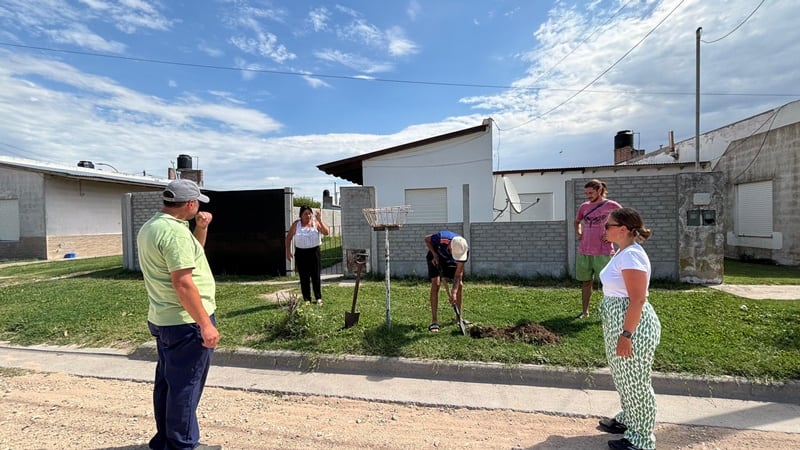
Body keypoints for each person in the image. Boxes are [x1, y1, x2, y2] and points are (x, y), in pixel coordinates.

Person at [137, 179, 221, 450]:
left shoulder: (153, 227)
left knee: (168, 383)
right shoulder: (173, 233)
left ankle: (166, 439)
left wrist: (201, 228)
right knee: (186, 386)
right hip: (186, 323)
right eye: (196, 203)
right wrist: (205, 324)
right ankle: (183, 444)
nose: (198, 207)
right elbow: (183, 282)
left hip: (164, 319)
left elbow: (191, 254)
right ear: (190, 204)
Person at [597, 207, 661, 450]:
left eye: (608, 226)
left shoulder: (632, 255)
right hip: (620, 326)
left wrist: (626, 335)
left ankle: (642, 439)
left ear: (623, 229)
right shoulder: (623, 252)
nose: (605, 229)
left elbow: (637, 300)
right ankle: (629, 419)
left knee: (636, 382)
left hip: (633, 329)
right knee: (624, 378)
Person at [574, 179, 622, 318]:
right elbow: (576, 221)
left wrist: (613, 237)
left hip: (604, 252)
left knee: (608, 284)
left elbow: (625, 220)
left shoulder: (611, 205)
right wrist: (579, 233)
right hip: (584, 251)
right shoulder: (584, 207)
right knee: (586, 282)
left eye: (591, 192)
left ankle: (611, 313)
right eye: (586, 193)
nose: (588, 195)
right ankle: (585, 312)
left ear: (599, 191)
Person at [424, 231, 469, 333]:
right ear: (450, 247)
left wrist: (453, 292)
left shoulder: (464, 250)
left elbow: (458, 274)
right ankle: (434, 321)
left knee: (459, 286)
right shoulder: (441, 237)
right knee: (436, 283)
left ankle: (458, 318)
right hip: (435, 257)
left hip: (449, 260)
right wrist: (434, 254)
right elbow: (426, 239)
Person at [285, 205, 330, 305]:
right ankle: (307, 299)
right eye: (305, 214)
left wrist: (320, 220)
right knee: (304, 277)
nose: (308, 216)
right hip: (301, 253)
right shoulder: (296, 225)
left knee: (315, 276)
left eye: (310, 213)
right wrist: (288, 251)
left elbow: (326, 232)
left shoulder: (315, 223)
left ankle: (318, 298)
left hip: (314, 252)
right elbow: (288, 238)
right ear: (300, 215)